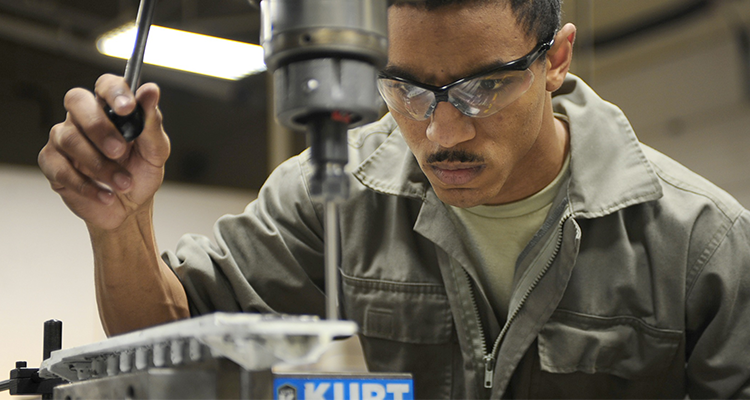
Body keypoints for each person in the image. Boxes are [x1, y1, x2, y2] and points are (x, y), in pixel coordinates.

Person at [37, 0, 750, 398]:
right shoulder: (327, 198)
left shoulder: (703, 245)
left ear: (555, 60)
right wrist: (121, 224)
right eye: (404, 86)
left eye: (481, 87)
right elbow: (164, 342)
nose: (439, 130)